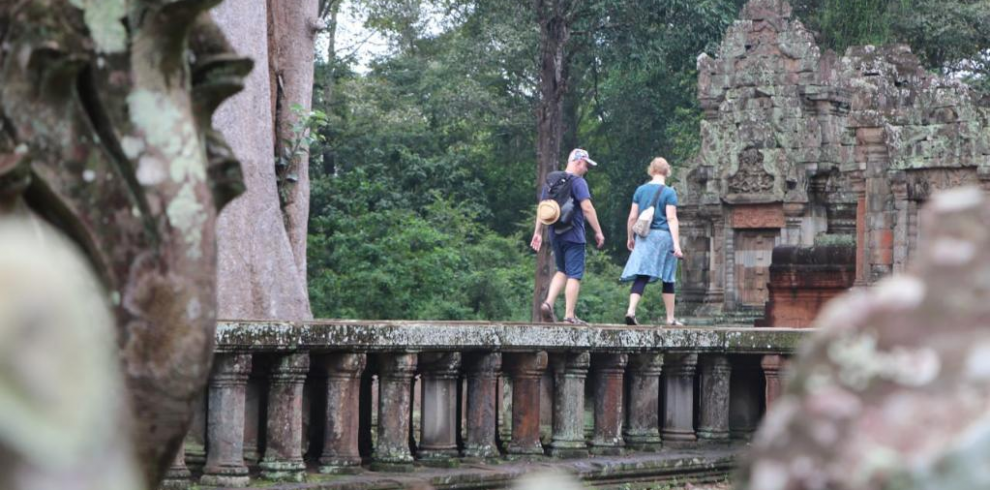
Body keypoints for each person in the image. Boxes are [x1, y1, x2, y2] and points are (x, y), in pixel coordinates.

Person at [531, 148, 605, 325]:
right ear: (578, 162)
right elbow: (587, 208)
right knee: (574, 274)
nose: (586, 169)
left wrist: (538, 232)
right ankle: (569, 316)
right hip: (573, 234)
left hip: (555, 233)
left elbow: (543, 208)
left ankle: (548, 304)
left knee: (562, 270)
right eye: (586, 165)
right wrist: (598, 231)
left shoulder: (552, 180)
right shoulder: (577, 182)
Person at [620, 157, 684, 326]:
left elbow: (633, 217)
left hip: (644, 236)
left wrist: (630, 237)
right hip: (663, 236)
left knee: (642, 274)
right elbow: (671, 219)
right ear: (667, 171)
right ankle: (670, 318)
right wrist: (676, 244)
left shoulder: (640, 190)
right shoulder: (669, 192)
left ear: (651, 170)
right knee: (668, 277)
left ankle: (631, 311)